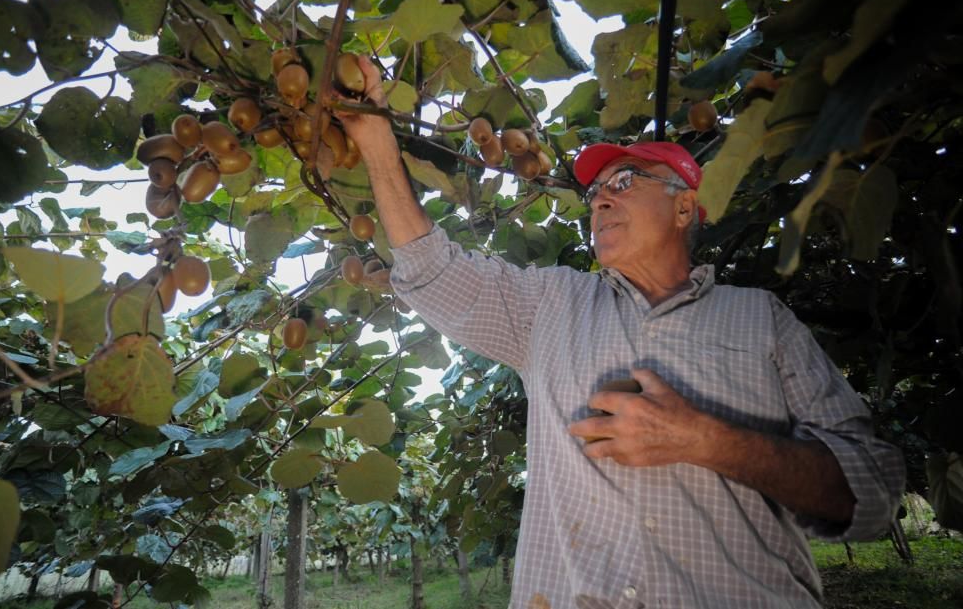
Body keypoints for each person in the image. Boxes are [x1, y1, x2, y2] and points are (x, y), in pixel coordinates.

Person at [336, 56, 905, 609]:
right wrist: (378, 145)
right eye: (594, 193)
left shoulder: (762, 318)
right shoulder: (550, 305)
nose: (601, 198)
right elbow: (435, 273)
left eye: (625, 180)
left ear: (686, 209)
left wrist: (704, 440)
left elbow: (872, 491)